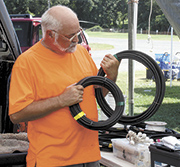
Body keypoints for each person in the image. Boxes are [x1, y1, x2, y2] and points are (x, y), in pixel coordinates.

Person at [9, 5, 119, 167]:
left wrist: (112, 77)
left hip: (90, 156)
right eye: (70, 36)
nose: (76, 40)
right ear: (50, 34)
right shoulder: (27, 62)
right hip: (53, 160)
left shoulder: (81, 53)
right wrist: (61, 100)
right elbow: (17, 114)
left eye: (78, 33)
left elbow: (96, 95)